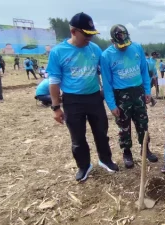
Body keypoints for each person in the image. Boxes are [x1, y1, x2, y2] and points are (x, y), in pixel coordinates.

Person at [47, 12, 119, 182]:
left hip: (94, 97)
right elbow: (54, 81)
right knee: (78, 137)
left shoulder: (94, 49)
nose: (89, 39)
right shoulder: (58, 52)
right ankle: (84, 166)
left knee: (101, 132)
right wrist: (56, 107)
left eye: (91, 35)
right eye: (86, 35)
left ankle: (105, 159)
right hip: (72, 100)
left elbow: (106, 72)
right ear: (73, 31)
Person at [100, 24, 158, 169]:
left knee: (142, 123)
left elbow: (144, 72)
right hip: (120, 95)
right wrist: (112, 105)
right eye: (120, 45)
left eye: (126, 44)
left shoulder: (137, 48)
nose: (124, 47)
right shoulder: (106, 56)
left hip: (138, 92)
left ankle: (145, 149)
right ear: (113, 41)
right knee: (124, 126)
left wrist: (147, 92)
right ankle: (127, 153)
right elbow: (106, 83)